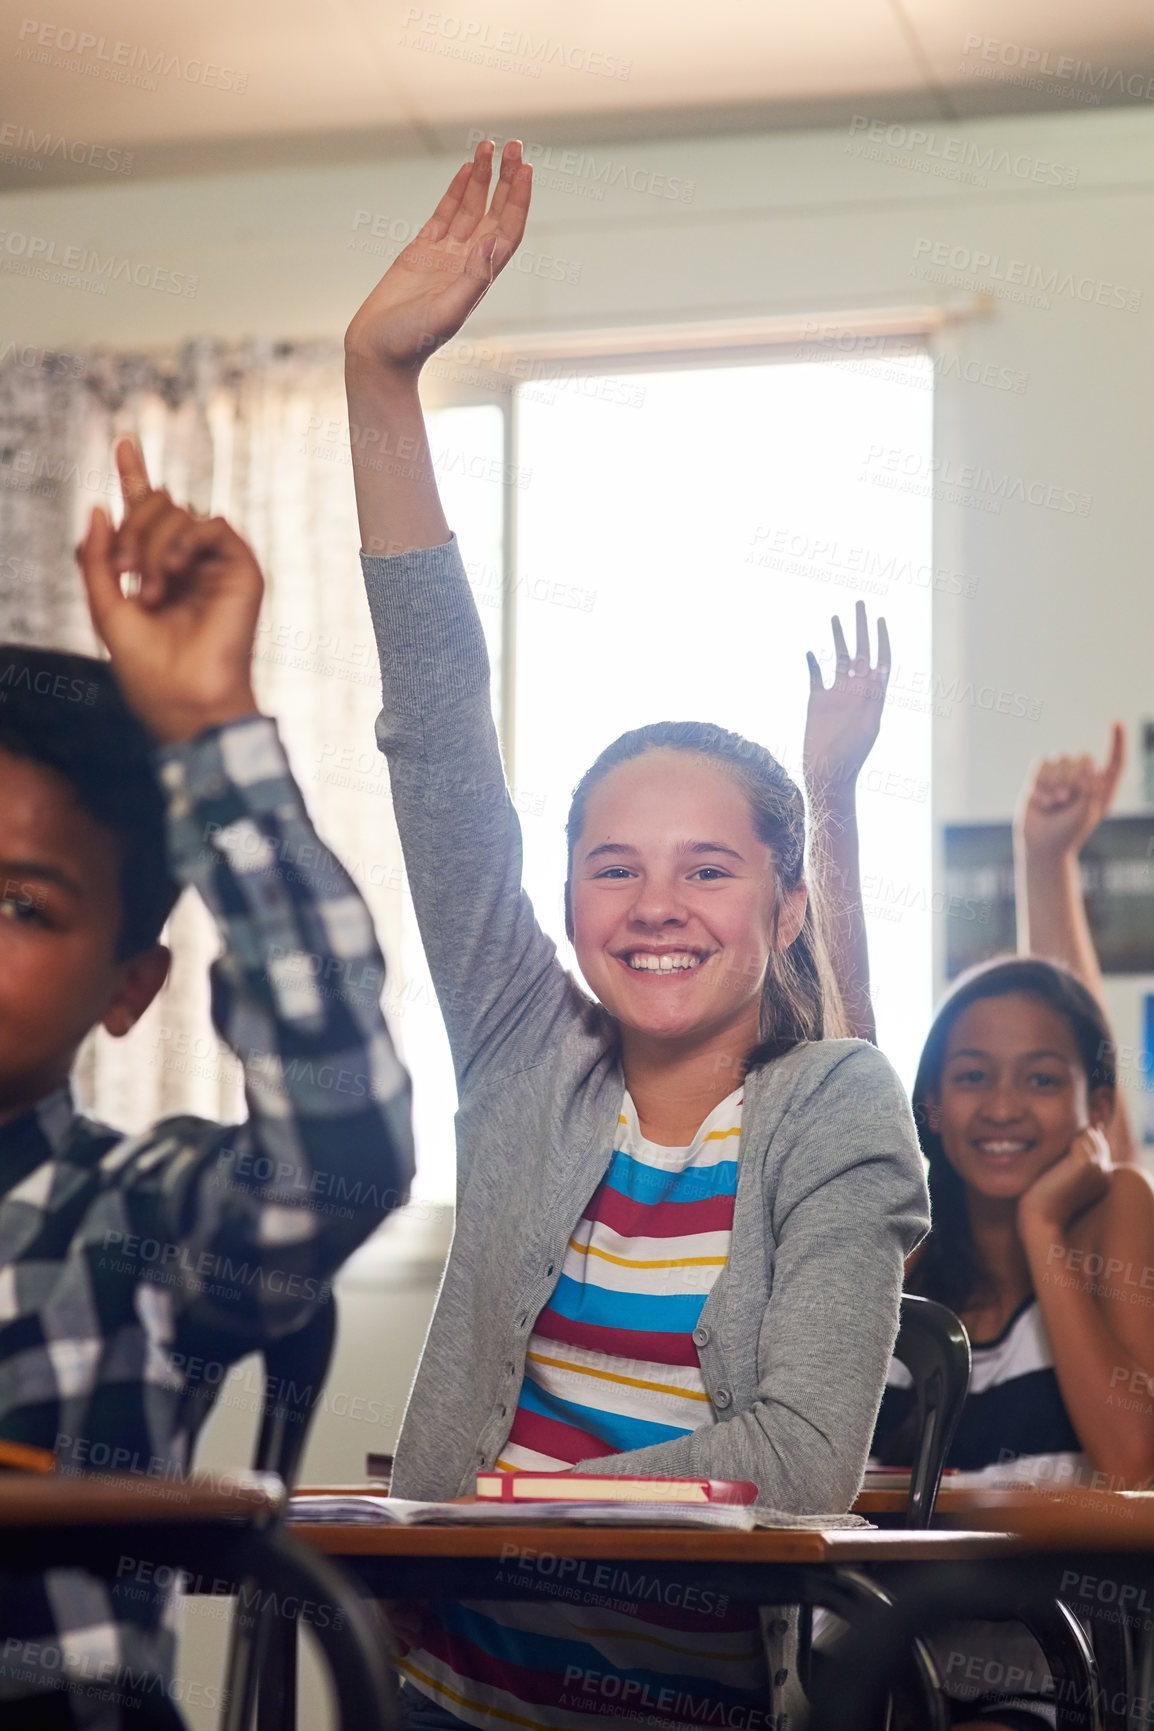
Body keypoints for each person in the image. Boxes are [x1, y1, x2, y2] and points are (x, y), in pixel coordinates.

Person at [345, 137, 930, 1731]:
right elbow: (442, 742)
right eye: (612, 866)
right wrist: (380, 385)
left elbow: (799, 1454)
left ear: (787, 904)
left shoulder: (839, 1108)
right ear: (563, 903)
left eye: (707, 870)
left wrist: (489, 1501)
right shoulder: (520, 1046)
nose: (656, 903)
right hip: (443, 1694)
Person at [0, 441, 414, 1727]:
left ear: (128, 988)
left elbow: (335, 1151)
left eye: (20, 905)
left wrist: (212, 737)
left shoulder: (123, 1227)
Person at [804, 628, 1154, 1730]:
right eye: (969, 1079)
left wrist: (1052, 1240)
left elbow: (1136, 1458)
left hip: (1051, 1688)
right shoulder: (904, 1246)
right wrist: (830, 798)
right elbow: (841, 1022)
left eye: (1038, 1081)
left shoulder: (1113, 1217)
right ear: (927, 1108)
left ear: (1088, 1109)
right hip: (878, 1670)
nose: (1001, 1107)